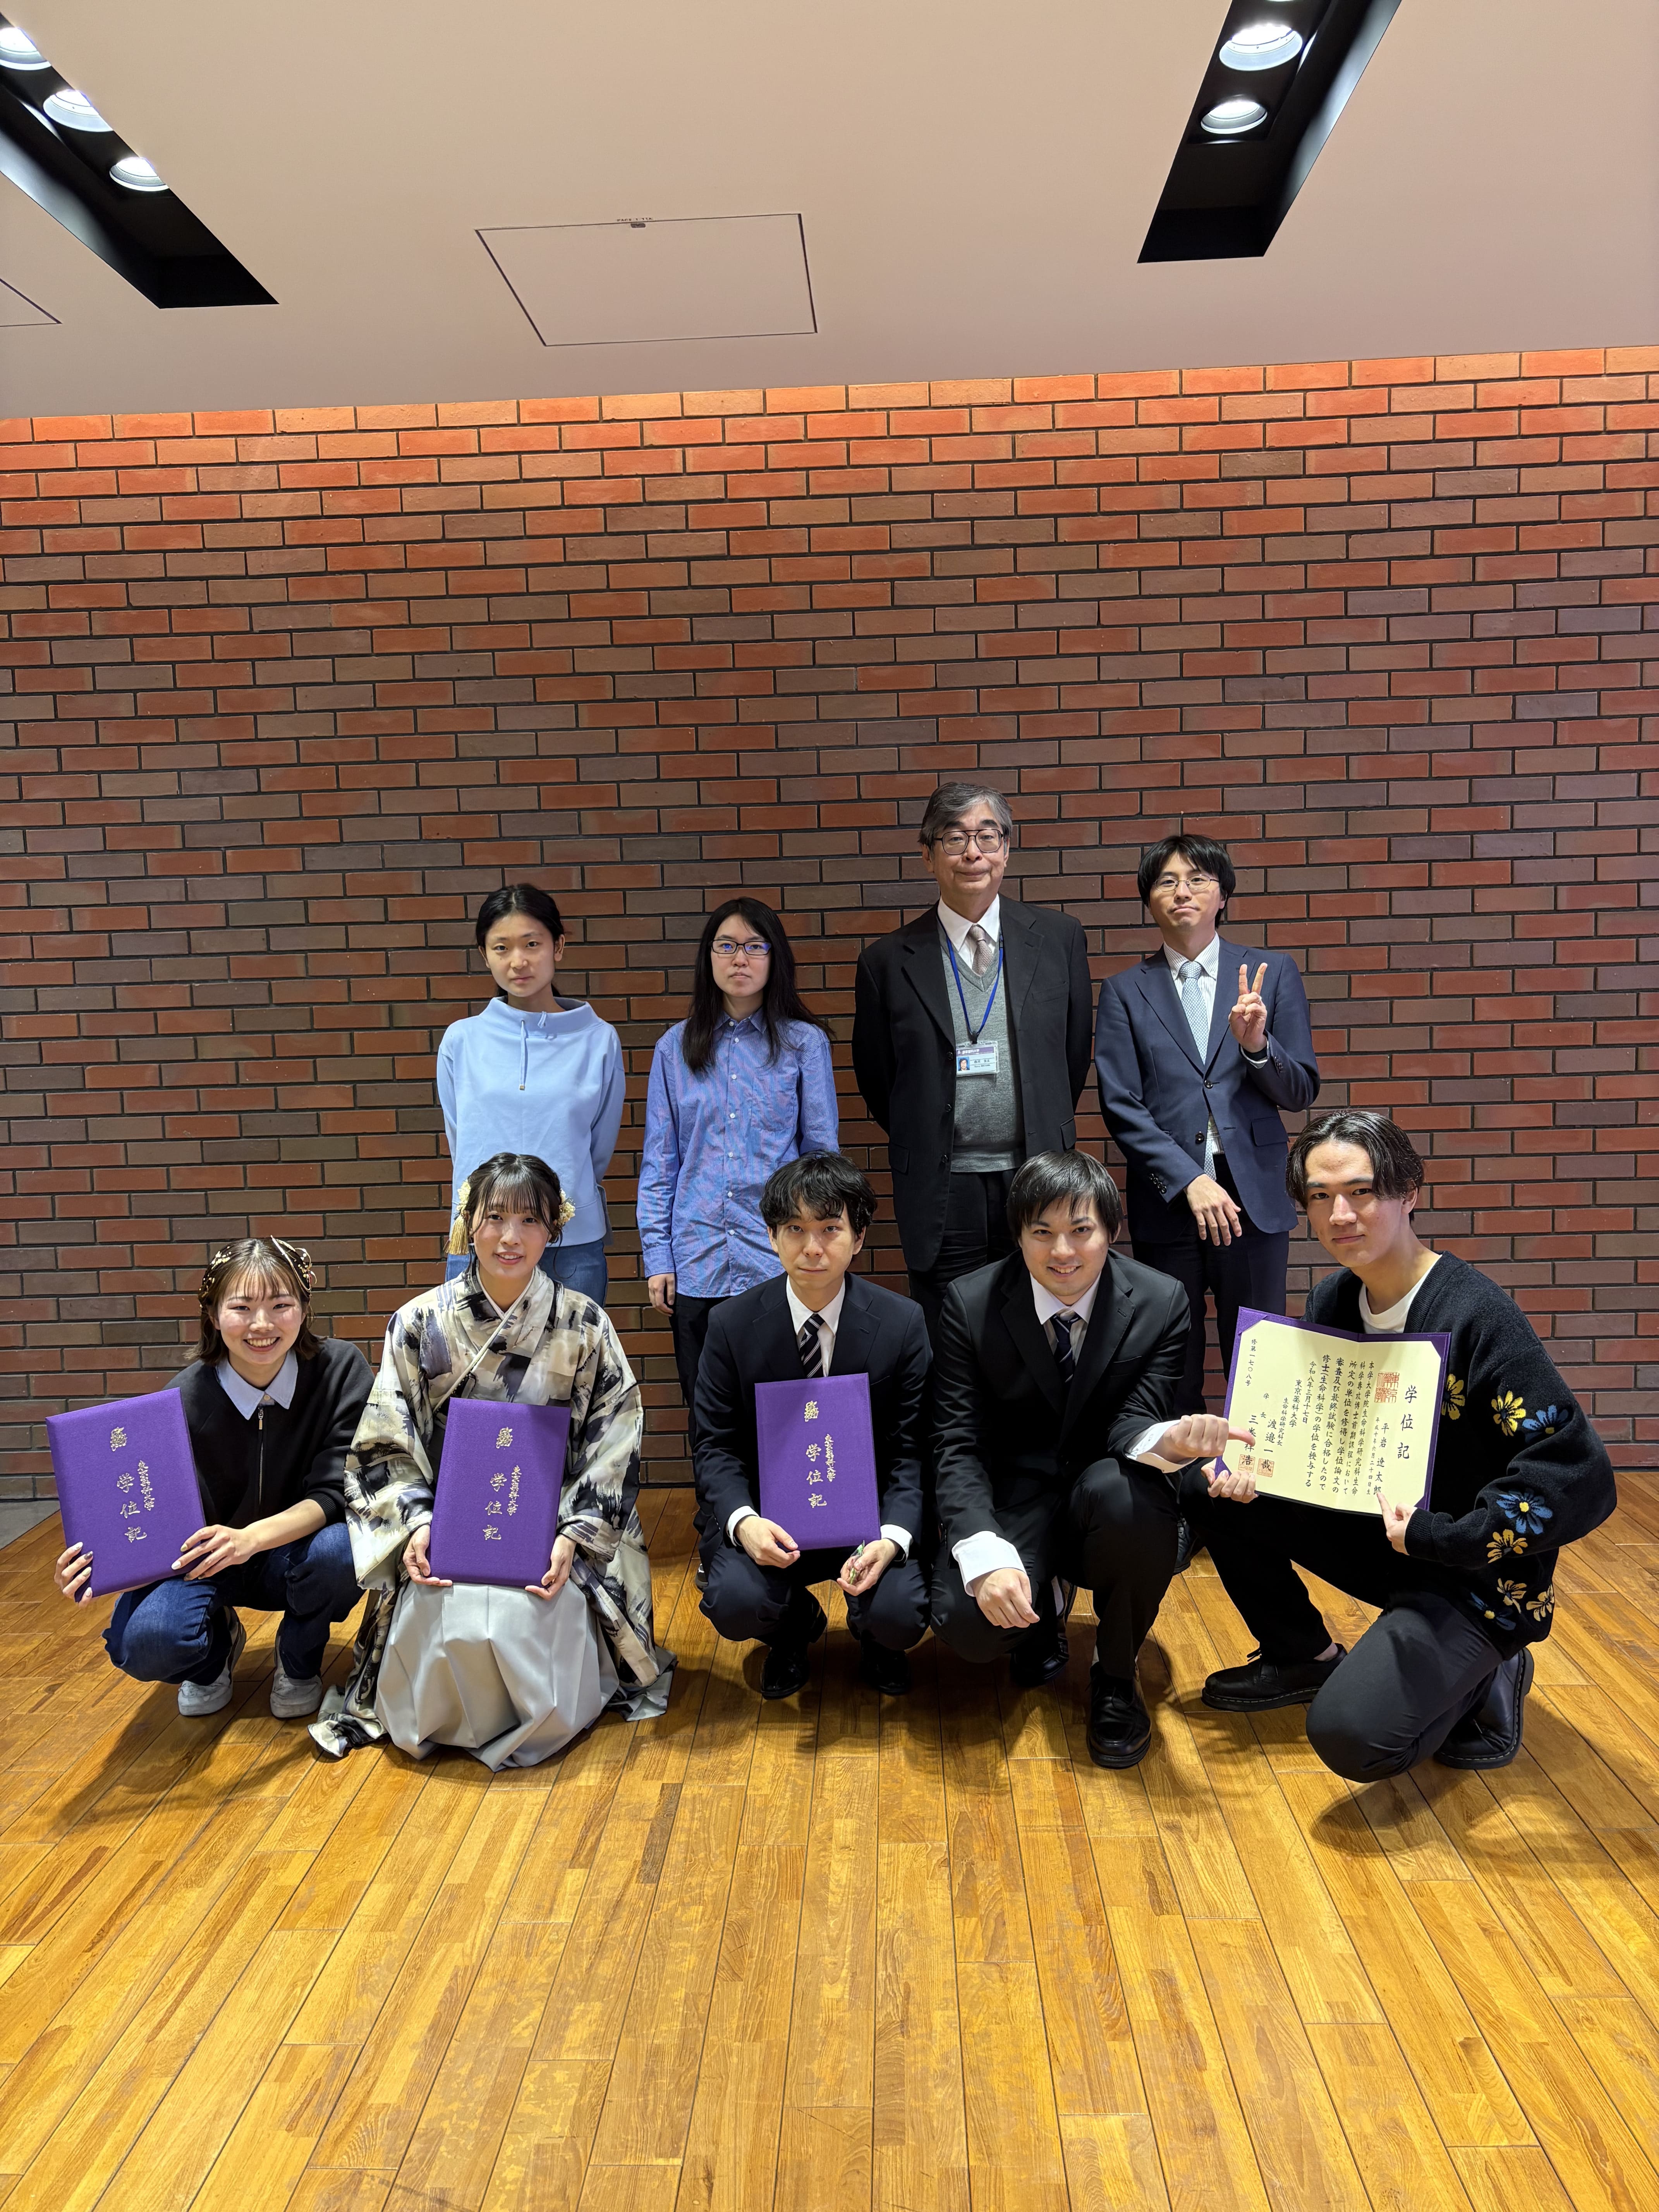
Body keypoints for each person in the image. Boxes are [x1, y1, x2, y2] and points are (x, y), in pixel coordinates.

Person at [1188, 1109, 1618, 1776]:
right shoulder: (1335, 1299)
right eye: (1320, 1196)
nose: (1340, 1215)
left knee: (1352, 1737)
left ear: (1408, 1192)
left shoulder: (1478, 1315)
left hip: (1470, 1568)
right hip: (1381, 1535)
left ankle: (1492, 1670)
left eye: (1360, 1192)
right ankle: (1301, 1655)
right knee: (1206, 1488)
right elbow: (1314, 1436)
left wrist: (1447, 1536)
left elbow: (1578, 1475)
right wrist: (1249, 1466)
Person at [311, 1152, 673, 1767]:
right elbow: (385, 1444)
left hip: (554, 1522)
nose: (511, 1237)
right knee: (446, 1612)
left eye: (530, 1221)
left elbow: (615, 1441)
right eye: (495, 1218)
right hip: (447, 1523)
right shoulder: (418, 1323)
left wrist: (574, 1537)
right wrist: (418, 1526)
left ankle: (538, 1711)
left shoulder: (585, 1324)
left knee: (527, 1614)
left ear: (553, 1230)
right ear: (468, 1223)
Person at [929, 1150, 1244, 1767]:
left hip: (1109, 1484)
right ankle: (1045, 1603)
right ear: (1018, 1235)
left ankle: (1116, 1674)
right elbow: (956, 1440)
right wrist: (984, 1552)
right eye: (1041, 1232)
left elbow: (1139, 1418)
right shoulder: (970, 1302)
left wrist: (1172, 1444)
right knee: (967, 1624)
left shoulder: (1161, 1300)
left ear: (1111, 1230)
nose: (1062, 1252)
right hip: (1016, 1493)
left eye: (1081, 1230)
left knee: (1131, 1502)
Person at [54, 1238, 372, 1720]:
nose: (262, 1325)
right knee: (143, 1643)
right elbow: (140, 1516)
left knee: (346, 1549)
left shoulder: (341, 1370)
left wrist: (250, 1539)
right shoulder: (180, 1401)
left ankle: (299, 1661)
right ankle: (213, 1655)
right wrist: (93, 1563)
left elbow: (335, 1492)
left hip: (295, 1552)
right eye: (241, 1308)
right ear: (213, 1314)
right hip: (206, 1560)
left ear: (304, 1308)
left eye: (281, 1305)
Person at [852, 781, 1094, 1343]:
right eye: (955, 838)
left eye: (988, 836)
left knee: (1041, 1328)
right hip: (942, 1184)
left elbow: (1071, 1056)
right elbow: (880, 1079)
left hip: (1035, 1174)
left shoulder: (1058, 940)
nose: (973, 853)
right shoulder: (886, 962)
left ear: (1006, 848)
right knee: (951, 1339)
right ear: (927, 854)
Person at [1095, 833, 1319, 1414]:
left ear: (1223, 896)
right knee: (1172, 1360)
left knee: (1261, 1359)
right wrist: (1187, 1179)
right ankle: (1183, 1470)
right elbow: (1120, 1103)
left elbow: (1300, 1091)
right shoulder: (1124, 991)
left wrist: (1257, 1046)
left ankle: (1259, 1468)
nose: (1182, 892)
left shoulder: (1272, 973)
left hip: (1254, 1197)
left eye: (1197, 880)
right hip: (1170, 1201)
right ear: (1149, 900)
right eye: (1167, 882)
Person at [693, 1153, 932, 1700]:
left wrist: (893, 1537)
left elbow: (912, 1449)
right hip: (773, 1518)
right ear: (772, 1237)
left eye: (830, 1229)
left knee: (901, 1613)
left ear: (859, 1237)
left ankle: (877, 1637)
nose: (813, 1248)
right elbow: (715, 1446)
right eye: (795, 1230)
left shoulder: (901, 1324)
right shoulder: (730, 1326)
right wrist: (744, 1522)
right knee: (735, 1600)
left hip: (867, 1519)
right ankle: (793, 1629)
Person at [637, 897, 837, 1448]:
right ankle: (719, 1506)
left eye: (754, 946)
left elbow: (822, 1159)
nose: (739, 959)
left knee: (785, 1407)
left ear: (775, 958)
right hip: (697, 1257)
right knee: (708, 1410)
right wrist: (659, 1257)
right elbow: (660, 1162)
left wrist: (820, 1246)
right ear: (709, 958)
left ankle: (786, 1504)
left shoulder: (803, 1044)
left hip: (777, 1257)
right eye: (726, 946)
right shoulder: (675, 1048)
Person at [437, 884, 625, 1308]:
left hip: (570, 1243)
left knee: (573, 1351)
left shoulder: (598, 1040)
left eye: (532, 944)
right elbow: (461, 1141)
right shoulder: (461, 1041)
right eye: (501, 948)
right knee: (475, 1353)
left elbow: (596, 1150)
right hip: (480, 1241)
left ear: (558, 946)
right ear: (485, 955)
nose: (518, 961)